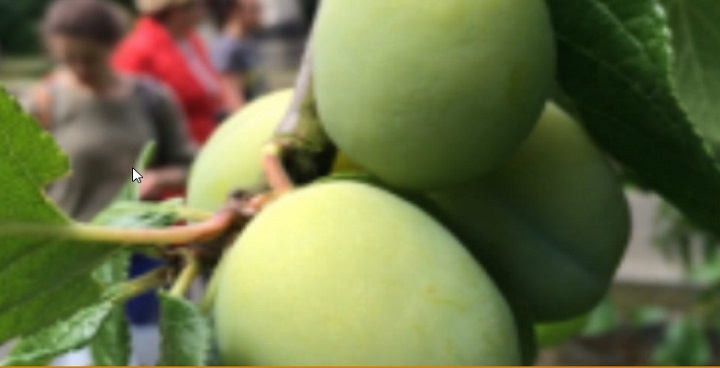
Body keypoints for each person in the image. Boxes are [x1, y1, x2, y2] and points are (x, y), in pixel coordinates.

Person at [25, 0, 196, 364]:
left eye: (90, 58)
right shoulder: (45, 102)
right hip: (73, 257)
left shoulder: (150, 99)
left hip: (141, 251)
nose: (80, 68)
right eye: (69, 59)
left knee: (143, 351)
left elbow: (165, 165)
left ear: (113, 47)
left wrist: (152, 177)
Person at [113, 0, 222, 145]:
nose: (203, 8)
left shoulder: (190, 39)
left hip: (207, 137)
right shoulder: (139, 48)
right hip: (170, 146)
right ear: (175, 12)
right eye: (196, 4)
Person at [207, 0, 267, 115]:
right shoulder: (228, 48)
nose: (260, 14)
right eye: (253, 9)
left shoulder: (247, 40)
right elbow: (232, 97)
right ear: (234, 12)